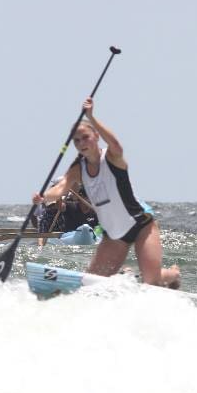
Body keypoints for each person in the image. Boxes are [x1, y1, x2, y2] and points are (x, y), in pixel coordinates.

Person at [33, 98, 180, 288]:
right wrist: (43, 197)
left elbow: (116, 144)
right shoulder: (78, 168)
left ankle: (173, 275)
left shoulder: (111, 157)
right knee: (92, 286)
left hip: (141, 224)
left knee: (151, 282)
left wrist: (91, 117)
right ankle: (127, 277)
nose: (81, 142)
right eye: (76, 140)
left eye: (85, 137)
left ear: (96, 136)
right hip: (114, 235)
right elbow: (61, 188)